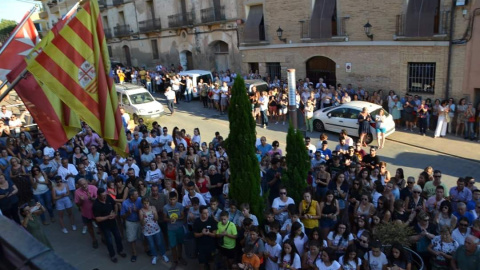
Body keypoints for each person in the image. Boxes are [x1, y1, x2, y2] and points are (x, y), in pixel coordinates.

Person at [93, 188, 126, 263]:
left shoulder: (108, 197)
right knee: (109, 241)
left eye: (105, 195)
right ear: (98, 196)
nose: (105, 197)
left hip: (113, 223)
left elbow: (115, 204)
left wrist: (115, 213)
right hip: (105, 226)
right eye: (103, 196)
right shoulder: (96, 205)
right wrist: (108, 217)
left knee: (118, 237)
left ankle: (120, 250)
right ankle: (112, 255)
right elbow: (97, 219)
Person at [139, 197, 169, 265]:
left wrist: (155, 213)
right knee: (151, 244)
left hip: (155, 229)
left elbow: (156, 218)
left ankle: (163, 254)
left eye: (147, 203)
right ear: (142, 204)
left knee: (159, 243)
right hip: (147, 231)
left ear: (149, 203)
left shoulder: (153, 208)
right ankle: (154, 256)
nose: (146, 205)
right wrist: (143, 217)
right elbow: (142, 223)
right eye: (144, 204)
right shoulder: (141, 211)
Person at [163, 191, 187, 269]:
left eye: (173, 199)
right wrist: (170, 220)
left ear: (176, 199)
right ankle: (175, 260)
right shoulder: (165, 207)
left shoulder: (180, 206)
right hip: (171, 229)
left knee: (180, 244)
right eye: (170, 199)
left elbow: (183, 216)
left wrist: (177, 218)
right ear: (168, 199)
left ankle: (180, 257)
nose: (172, 201)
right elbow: (164, 218)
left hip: (179, 228)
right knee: (173, 245)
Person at [74, 179, 98, 249]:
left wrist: (91, 198)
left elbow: (98, 199)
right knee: (90, 227)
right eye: (82, 185)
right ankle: (94, 240)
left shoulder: (93, 187)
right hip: (86, 213)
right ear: (79, 185)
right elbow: (78, 205)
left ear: (87, 182)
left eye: (85, 184)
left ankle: (103, 237)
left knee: (100, 225)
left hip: (96, 211)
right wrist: (81, 201)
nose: (84, 186)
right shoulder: (77, 192)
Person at [120, 189, 142, 262]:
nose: (138, 195)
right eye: (136, 194)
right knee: (132, 239)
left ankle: (146, 249)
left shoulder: (140, 200)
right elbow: (122, 215)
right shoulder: (125, 203)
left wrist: (137, 210)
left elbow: (145, 209)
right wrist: (128, 214)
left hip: (140, 221)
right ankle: (134, 253)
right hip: (130, 222)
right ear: (132, 196)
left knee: (144, 236)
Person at [193, 205, 218, 270]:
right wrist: (202, 233)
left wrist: (208, 233)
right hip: (200, 247)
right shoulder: (197, 222)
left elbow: (214, 234)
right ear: (200, 213)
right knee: (201, 263)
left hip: (211, 246)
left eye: (207, 212)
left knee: (211, 261)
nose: (207, 214)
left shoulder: (211, 220)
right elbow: (195, 234)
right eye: (205, 213)